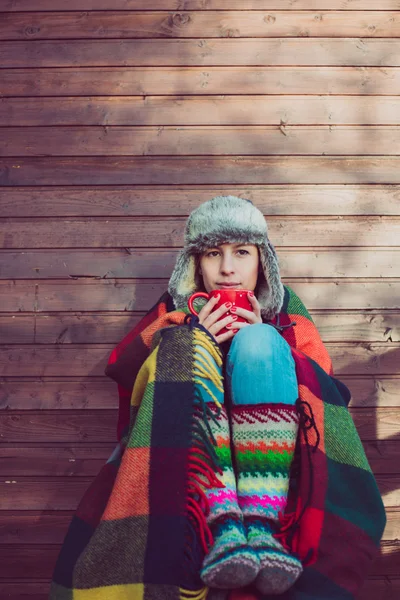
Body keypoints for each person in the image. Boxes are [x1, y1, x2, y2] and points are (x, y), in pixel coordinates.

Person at [49, 195, 386, 600]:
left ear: (262, 261)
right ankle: (225, 524)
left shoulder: (287, 313)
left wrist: (270, 342)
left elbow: (327, 391)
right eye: (213, 253)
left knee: (260, 339)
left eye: (241, 252)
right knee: (183, 344)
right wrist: (195, 333)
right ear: (195, 263)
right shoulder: (173, 311)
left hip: (279, 473)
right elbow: (127, 367)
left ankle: (260, 529)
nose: (227, 268)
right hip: (192, 483)